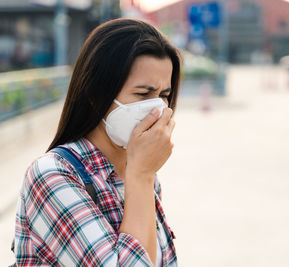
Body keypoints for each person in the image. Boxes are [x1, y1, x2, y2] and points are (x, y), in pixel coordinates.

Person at [13, 18, 181, 266]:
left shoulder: (140, 173)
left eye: (164, 95)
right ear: (96, 94)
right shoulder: (53, 175)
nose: (157, 108)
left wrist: (142, 175)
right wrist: (142, 174)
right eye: (143, 94)